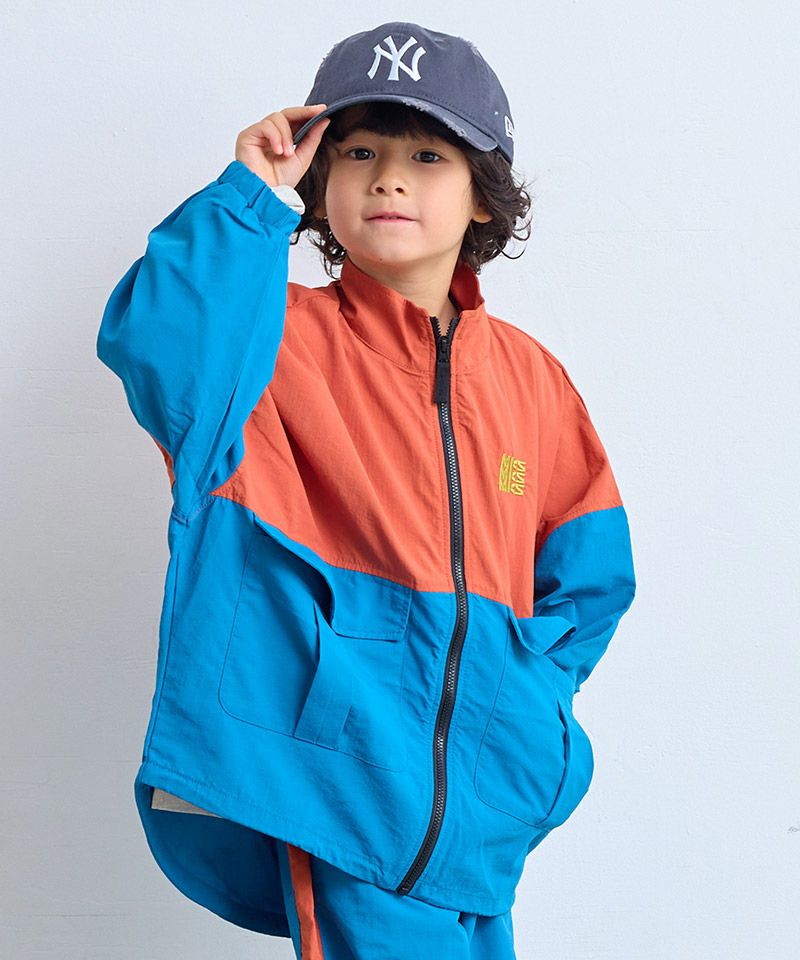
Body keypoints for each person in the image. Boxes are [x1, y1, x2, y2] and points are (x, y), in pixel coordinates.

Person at [96, 20, 636, 960]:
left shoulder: (531, 382)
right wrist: (252, 198)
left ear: (481, 194)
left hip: (476, 798)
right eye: (358, 153)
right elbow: (161, 346)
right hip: (333, 777)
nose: (388, 178)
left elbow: (591, 578)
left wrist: (521, 706)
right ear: (322, 180)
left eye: (426, 155)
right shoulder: (267, 341)